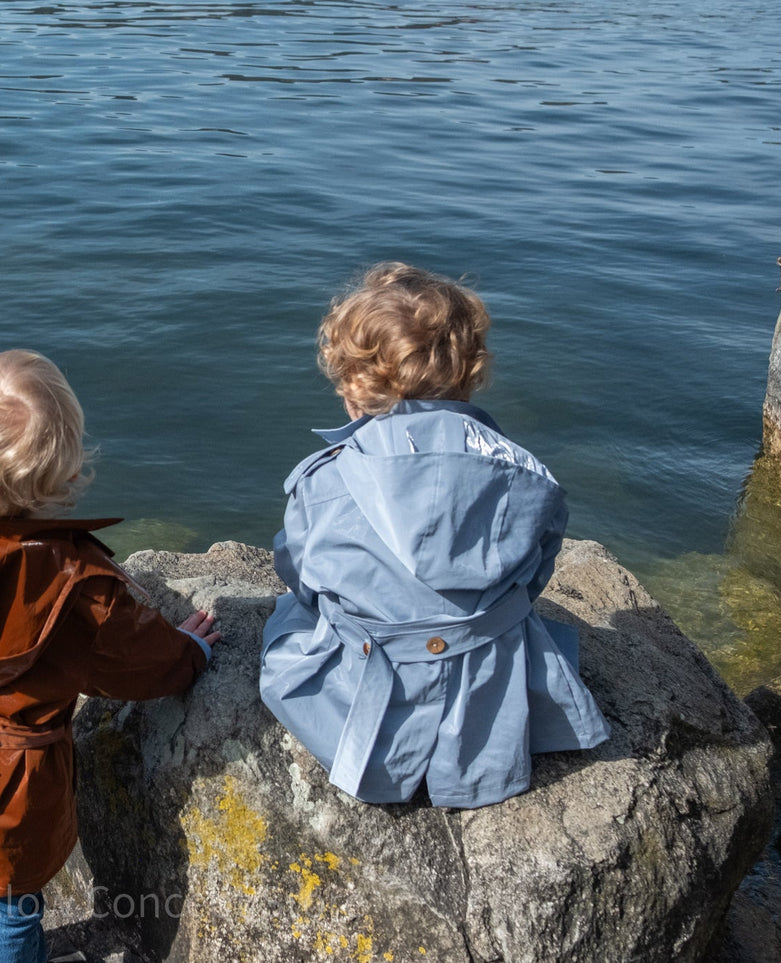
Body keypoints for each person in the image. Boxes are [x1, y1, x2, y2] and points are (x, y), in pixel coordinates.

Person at [0, 349, 219, 963]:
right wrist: (187, 651)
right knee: (9, 897)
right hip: (8, 778)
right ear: (60, 474)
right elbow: (134, 660)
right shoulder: (74, 585)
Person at [259, 262, 609, 809]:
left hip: (362, 709)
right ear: (470, 374)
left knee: (287, 616)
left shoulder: (323, 480)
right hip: (490, 707)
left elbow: (300, 573)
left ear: (352, 388)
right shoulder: (528, 474)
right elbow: (534, 578)